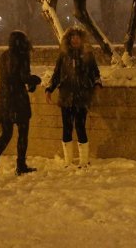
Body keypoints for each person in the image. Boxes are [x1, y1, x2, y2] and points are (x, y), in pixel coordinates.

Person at [0, 30, 41, 182]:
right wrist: (36, 80)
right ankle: (21, 165)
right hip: (18, 100)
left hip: (4, 99)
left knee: (6, 134)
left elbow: (11, 75)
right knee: (23, 133)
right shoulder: (23, 55)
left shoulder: (4, 56)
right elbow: (24, 76)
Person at [44, 26, 102, 168]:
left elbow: (95, 73)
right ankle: (68, 161)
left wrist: (97, 85)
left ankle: (83, 161)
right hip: (66, 97)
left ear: (81, 39)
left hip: (82, 98)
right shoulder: (63, 56)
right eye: (72, 37)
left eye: (77, 37)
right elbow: (57, 74)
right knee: (67, 128)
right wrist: (49, 89)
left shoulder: (88, 55)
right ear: (68, 40)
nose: (75, 39)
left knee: (80, 126)